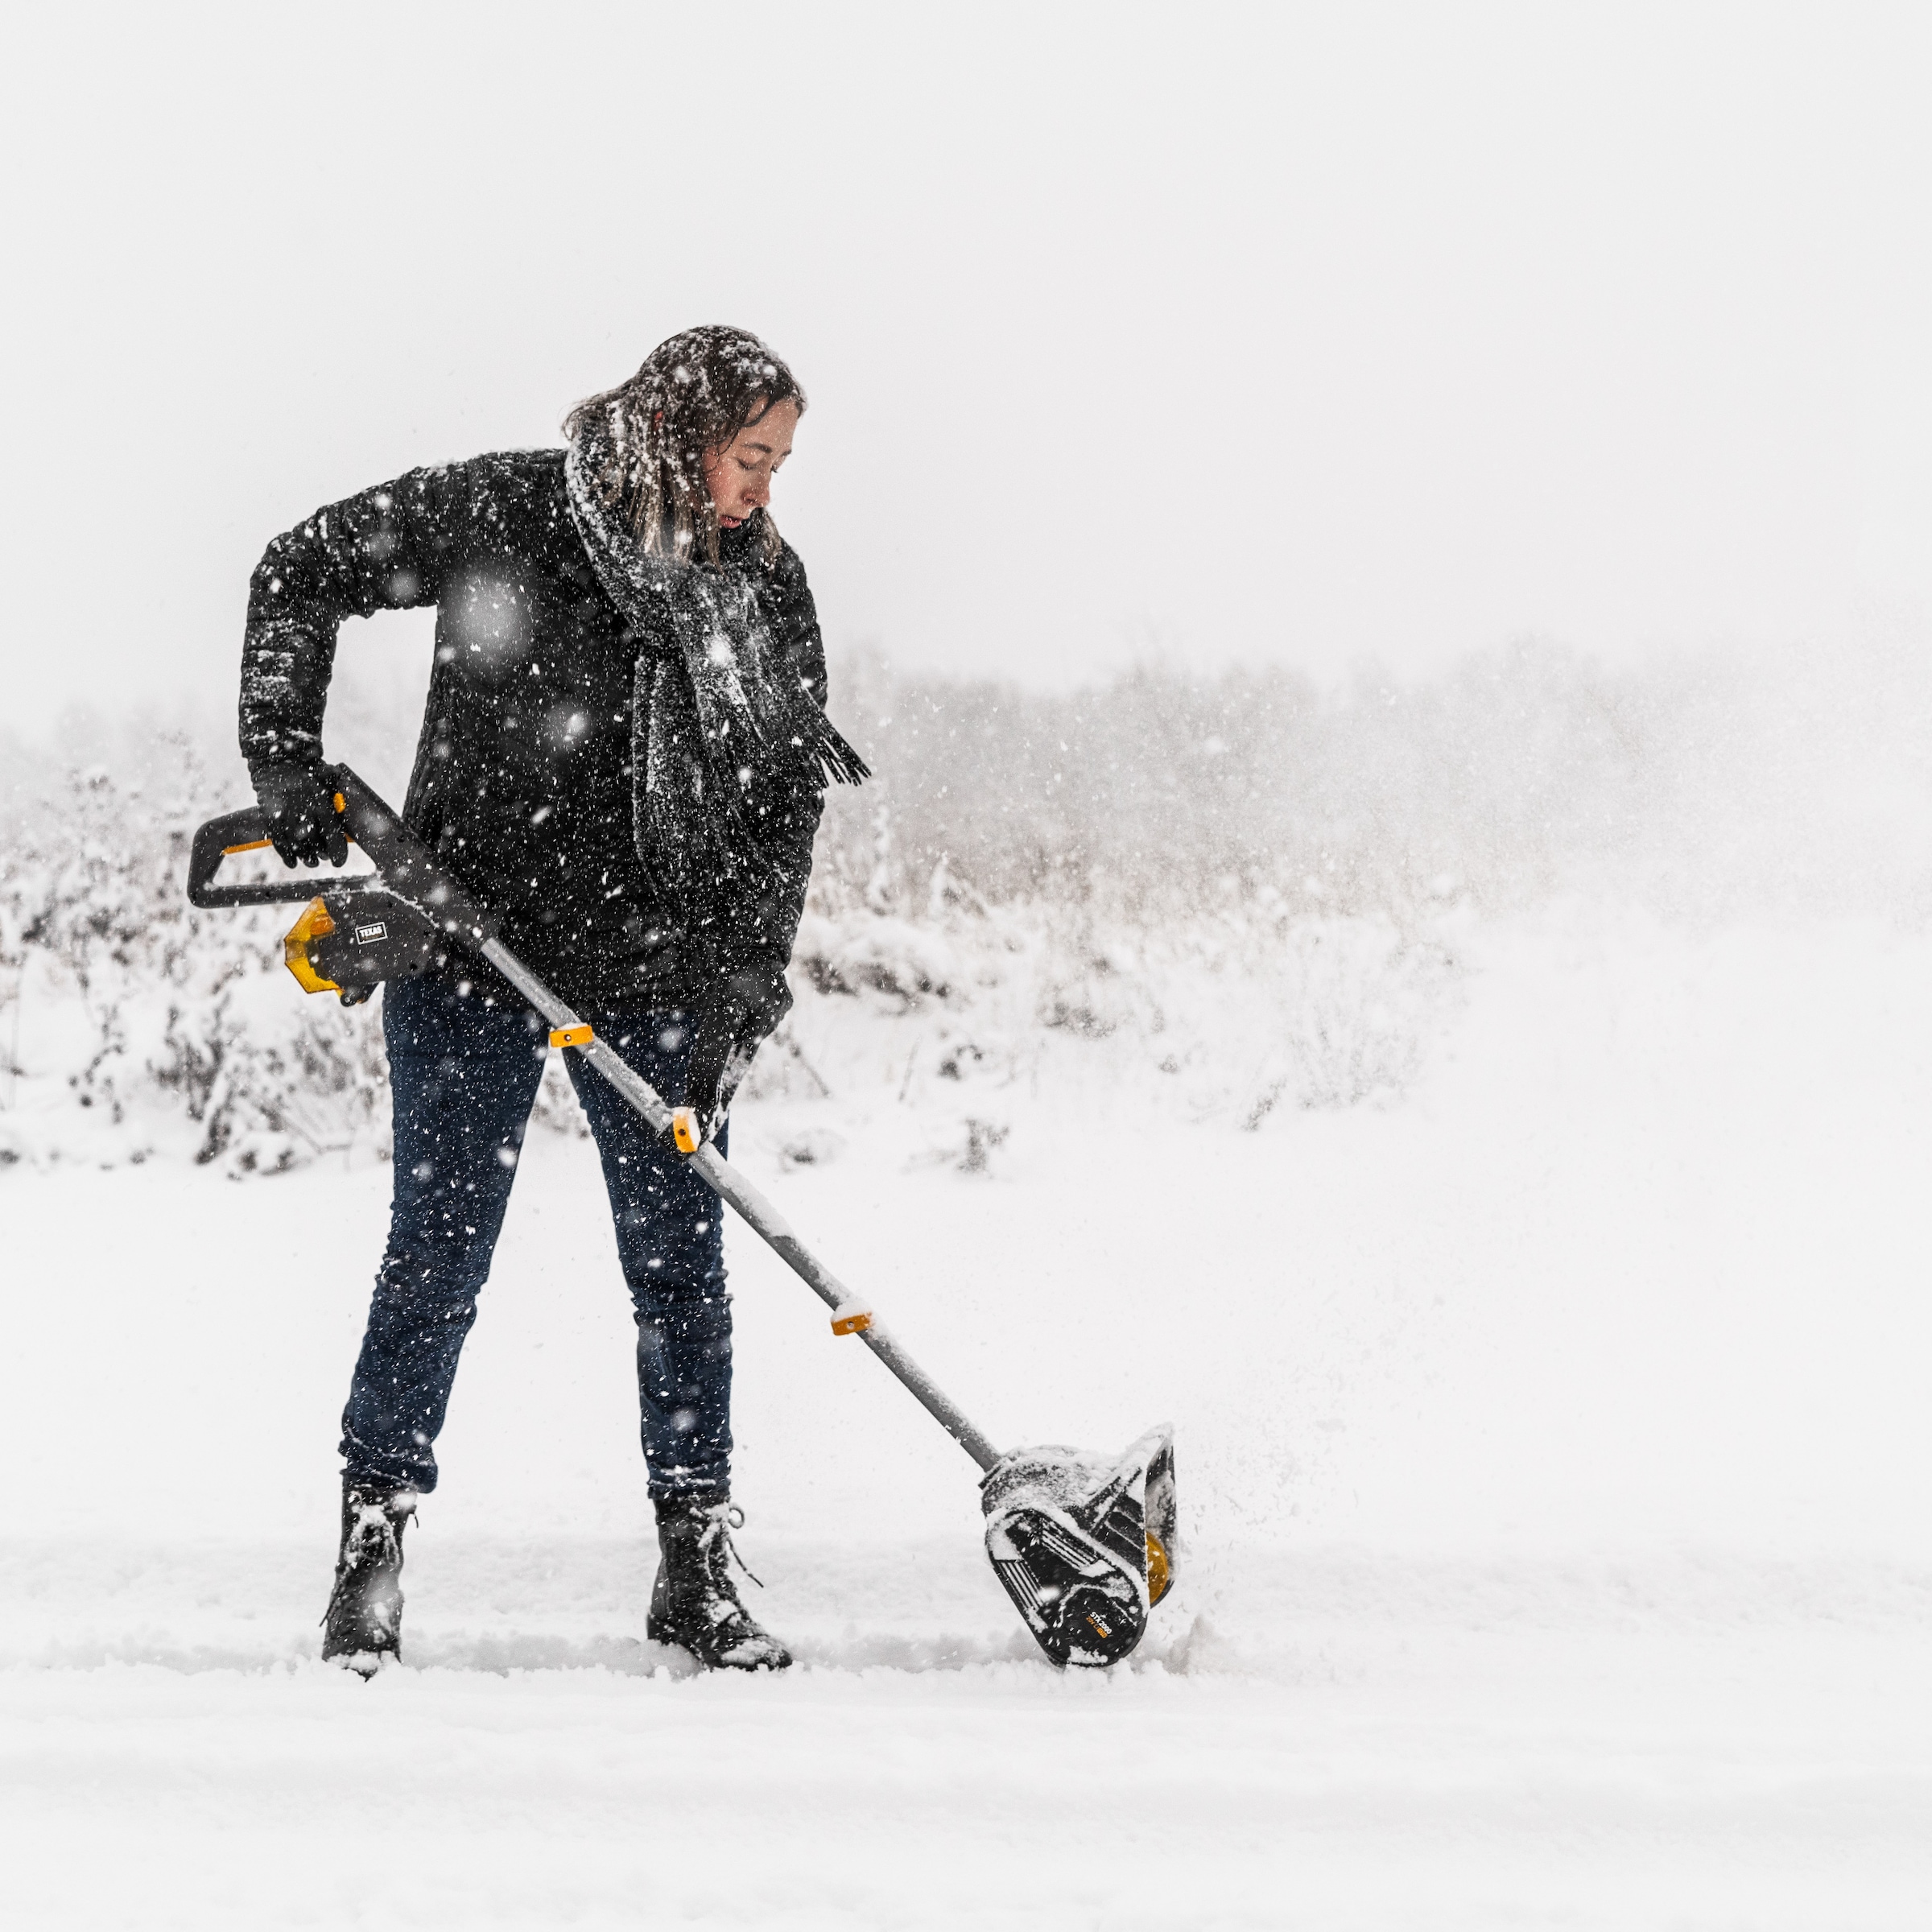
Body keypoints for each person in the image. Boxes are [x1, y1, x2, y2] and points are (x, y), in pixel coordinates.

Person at [238, 325, 865, 1674]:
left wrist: (748, 974)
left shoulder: (758, 583)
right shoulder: (507, 510)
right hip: (468, 949)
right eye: (748, 457)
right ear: (677, 432)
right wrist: (285, 754)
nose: (762, 490)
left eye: (779, 464)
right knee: (439, 1254)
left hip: (656, 967)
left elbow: (780, 799)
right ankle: (374, 1538)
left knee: (678, 1263)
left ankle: (693, 1559)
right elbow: (298, 570)